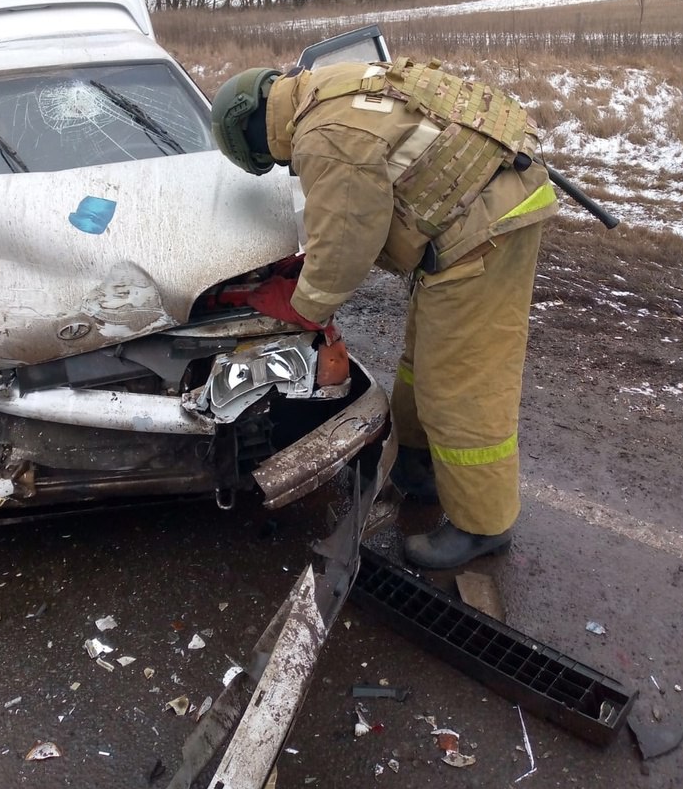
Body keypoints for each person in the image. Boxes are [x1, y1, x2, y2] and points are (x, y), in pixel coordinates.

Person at [210, 55, 558, 570]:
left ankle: (483, 525)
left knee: (461, 383)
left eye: (271, 160)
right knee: (424, 363)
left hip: (483, 231)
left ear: (255, 134)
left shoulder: (321, 135)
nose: (282, 165)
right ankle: (418, 466)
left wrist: (302, 306)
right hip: (477, 212)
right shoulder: (324, 88)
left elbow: (348, 241)